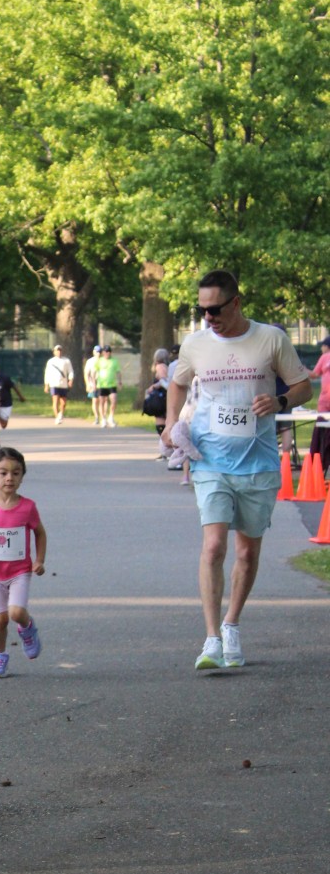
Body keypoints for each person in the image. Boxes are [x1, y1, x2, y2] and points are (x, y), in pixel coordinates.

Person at [162, 268, 312, 671]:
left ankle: (231, 625)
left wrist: (279, 402)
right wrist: (171, 422)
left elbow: (303, 386)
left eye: (215, 309)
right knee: (214, 546)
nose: (208, 317)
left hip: (258, 461)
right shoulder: (195, 344)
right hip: (210, 459)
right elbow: (177, 383)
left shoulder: (271, 339)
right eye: (202, 309)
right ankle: (211, 638)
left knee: (247, 551)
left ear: (236, 303)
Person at [0, 446, 46, 679]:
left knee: (15, 612)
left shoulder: (27, 507)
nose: (9, 478)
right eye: (3, 473)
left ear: (22, 477)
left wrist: (39, 560)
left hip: (19, 572)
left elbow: (40, 533)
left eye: (16, 473)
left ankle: (27, 629)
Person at [308, 336, 330, 479]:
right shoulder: (324, 358)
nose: (321, 348)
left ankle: (321, 462)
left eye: (323, 345)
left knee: (322, 432)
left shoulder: (325, 357)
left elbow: (314, 375)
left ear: (327, 346)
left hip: (325, 401)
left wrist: (300, 369)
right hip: (325, 401)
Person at [43, 345, 74, 424]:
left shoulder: (66, 361)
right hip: (54, 383)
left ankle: (61, 414)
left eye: (60, 350)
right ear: (54, 352)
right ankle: (57, 417)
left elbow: (70, 371)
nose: (59, 352)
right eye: (57, 350)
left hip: (63, 384)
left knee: (63, 403)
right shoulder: (51, 361)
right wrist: (46, 384)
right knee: (55, 400)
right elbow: (47, 373)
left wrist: (70, 380)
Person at [95, 345, 121, 427]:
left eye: (108, 352)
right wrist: (93, 383)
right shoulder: (99, 361)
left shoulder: (114, 361)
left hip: (112, 384)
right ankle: (103, 419)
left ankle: (111, 417)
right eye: (105, 352)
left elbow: (118, 372)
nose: (107, 353)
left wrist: (119, 382)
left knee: (114, 400)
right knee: (102, 402)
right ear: (103, 352)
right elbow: (94, 372)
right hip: (101, 384)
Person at [84, 345, 102, 424]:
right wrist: (88, 384)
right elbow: (86, 374)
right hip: (93, 383)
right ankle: (96, 417)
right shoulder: (90, 361)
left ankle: (103, 417)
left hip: (102, 384)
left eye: (100, 352)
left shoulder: (103, 361)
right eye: (97, 352)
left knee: (102, 401)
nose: (98, 353)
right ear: (94, 352)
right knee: (95, 400)